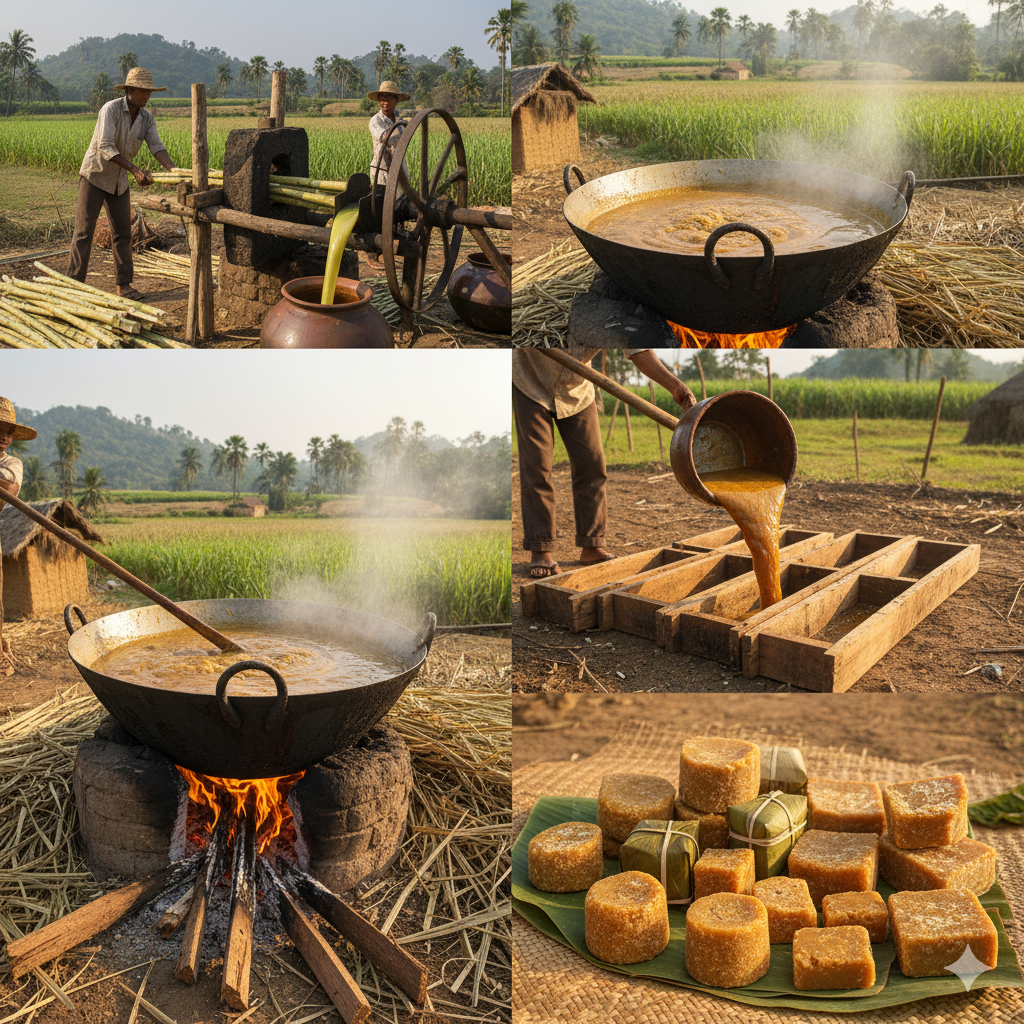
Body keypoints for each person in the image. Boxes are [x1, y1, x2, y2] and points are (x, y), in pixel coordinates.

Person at [514, 348, 697, 578]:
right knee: (537, 467)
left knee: (592, 465)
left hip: (577, 390)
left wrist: (676, 387)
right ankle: (541, 550)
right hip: (530, 382)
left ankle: (592, 545)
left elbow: (638, 349)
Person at [67, 66, 177, 302]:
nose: (147, 95)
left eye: (149, 91)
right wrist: (135, 170)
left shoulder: (147, 118)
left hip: (119, 181)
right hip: (95, 176)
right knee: (84, 232)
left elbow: (156, 147)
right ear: (129, 90)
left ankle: (124, 285)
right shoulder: (111, 109)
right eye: (142, 91)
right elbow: (105, 147)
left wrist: (175, 171)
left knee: (123, 233)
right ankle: (73, 285)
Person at [0, 397, 36, 677]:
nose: (4, 437)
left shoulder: (12, 463)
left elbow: (9, 488)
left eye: (9, 432)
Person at [366, 80, 411, 188]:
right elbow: (386, 137)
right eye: (382, 98)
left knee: (401, 197)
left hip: (400, 170)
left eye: (389, 98)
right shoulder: (375, 121)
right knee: (383, 198)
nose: (385, 102)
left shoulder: (400, 122)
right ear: (378, 101)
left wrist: (407, 124)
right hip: (382, 172)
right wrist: (405, 123)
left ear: (396, 100)